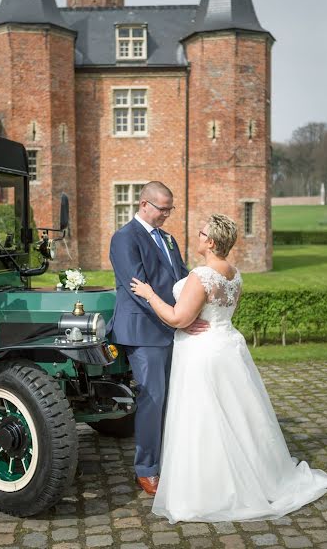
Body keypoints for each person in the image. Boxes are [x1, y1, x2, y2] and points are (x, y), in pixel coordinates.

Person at [131, 213, 327, 523]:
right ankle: (259, 472)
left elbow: (179, 318)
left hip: (202, 353)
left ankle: (213, 487)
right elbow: (221, 313)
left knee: (204, 416)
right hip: (228, 346)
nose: (198, 235)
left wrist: (150, 295)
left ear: (212, 241)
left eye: (202, 232)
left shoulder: (201, 275)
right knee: (238, 414)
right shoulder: (235, 274)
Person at [107, 181, 207, 495]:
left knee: (175, 397)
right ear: (144, 204)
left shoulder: (168, 238)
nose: (166, 214)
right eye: (162, 208)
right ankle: (147, 468)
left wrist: (194, 302)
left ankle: (173, 458)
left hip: (171, 326)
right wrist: (178, 318)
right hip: (144, 331)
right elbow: (140, 289)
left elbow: (180, 275)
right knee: (153, 399)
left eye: (169, 209)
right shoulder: (124, 238)